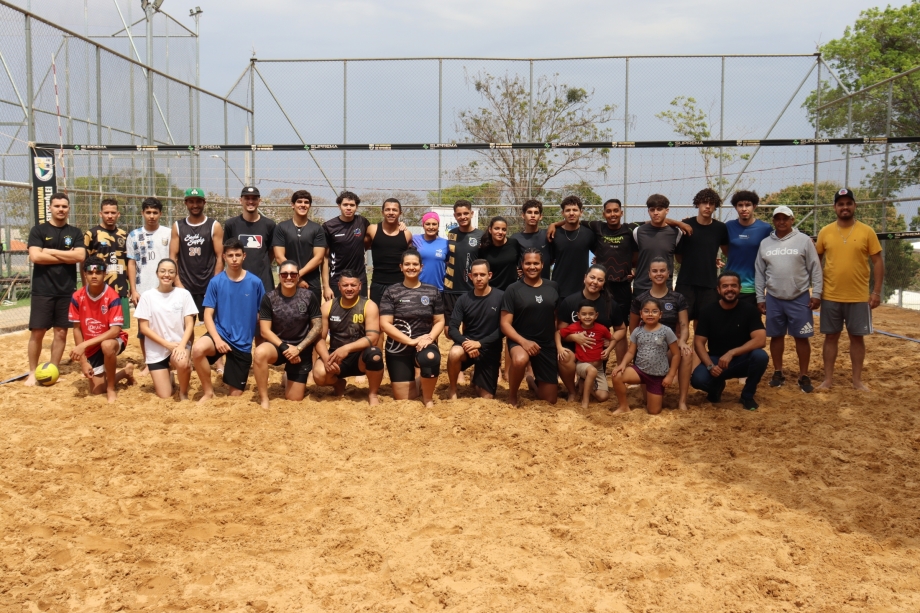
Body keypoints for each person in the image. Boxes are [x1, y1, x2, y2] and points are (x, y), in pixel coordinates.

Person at [815, 188, 884, 391]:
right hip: (830, 294)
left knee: (857, 337)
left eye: (848, 203)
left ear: (854, 206)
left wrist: (876, 292)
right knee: (831, 337)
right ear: (834, 207)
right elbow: (816, 259)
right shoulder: (825, 231)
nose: (844, 207)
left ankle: (857, 381)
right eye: (840, 204)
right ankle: (828, 380)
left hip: (859, 296)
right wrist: (818, 289)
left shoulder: (867, 231)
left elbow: (877, 262)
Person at [755, 205, 823, 393]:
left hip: (799, 296)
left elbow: (815, 269)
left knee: (801, 337)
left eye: (785, 218)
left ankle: (803, 374)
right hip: (774, 297)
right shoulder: (765, 243)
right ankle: (778, 372)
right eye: (778, 218)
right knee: (776, 336)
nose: (781, 222)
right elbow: (760, 273)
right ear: (774, 221)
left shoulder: (804, 241)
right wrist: (760, 297)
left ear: (792, 220)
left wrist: (816, 293)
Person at [191, 238, 265, 403]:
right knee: (197, 350)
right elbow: (208, 315)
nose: (234, 259)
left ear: (244, 256)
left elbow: (262, 315)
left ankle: (232, 376)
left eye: (237, 255)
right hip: (221, 335)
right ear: (224, 257)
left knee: (235, 395)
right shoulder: (216, 282)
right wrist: (217, 340)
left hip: (243, 344)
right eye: (230, 255)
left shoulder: (255, 282)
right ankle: (208, 392)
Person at [25, 193, 85, 386]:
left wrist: (49, 251)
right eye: (57, 206)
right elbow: (36, 257)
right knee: (38, 332)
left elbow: (80, 256)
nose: (61, 209)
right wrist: (66, 256)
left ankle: (53, 368)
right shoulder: (38, 230)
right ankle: (33, 372)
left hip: (66, 290)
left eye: (64, 206)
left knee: (61, 332)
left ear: (69, 209)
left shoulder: (75, 233)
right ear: (50, 208)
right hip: (43, 290)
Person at [691, 271, 769, 411]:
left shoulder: (750, 310)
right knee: (698, 380)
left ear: (739, 288)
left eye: (733, 285)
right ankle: (716, 388)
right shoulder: (707, 311)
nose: (729, 289)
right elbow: (698, 342)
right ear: (718, 289)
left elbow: (761, 340)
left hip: (742, 360)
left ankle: (747, 395)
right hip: (717, 360)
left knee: (761, 356)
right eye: (725, 286)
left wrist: (733, 352)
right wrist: (709, 366)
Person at [379, 249, 445, 408]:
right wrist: (410, 341)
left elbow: (439, 321)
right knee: (404, 397)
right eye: (407, 264)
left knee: (429, 357)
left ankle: (428, 398)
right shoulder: (391, 292)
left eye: (415, 264)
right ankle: (419, 377)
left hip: (424, 344)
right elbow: (385, 323)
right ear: (401, 267)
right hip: (399, 347)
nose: (411, 267)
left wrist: (429, 338)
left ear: (421, 267)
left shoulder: (432, 291)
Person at [253, 260, 323, 408]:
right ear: (279, 276)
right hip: (278, 346)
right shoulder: (269, 298)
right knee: (259, 353)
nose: (289, 277)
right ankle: (264, 398)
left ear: (298, 276)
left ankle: (288, 375)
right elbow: (265, 330)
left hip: (300, 351)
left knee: (294, 398)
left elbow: (317, 326)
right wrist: (285, 347)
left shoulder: (309, 296)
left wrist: (298, 348)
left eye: (293, 274)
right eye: (285, 274)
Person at [555, 264, 626, 403]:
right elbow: (560, 330)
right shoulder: (570, 301)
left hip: (596, 354)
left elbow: (622, 329)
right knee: (564, 357)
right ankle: (572, 392)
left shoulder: (611, 305)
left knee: (602, 397)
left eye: (600, 280)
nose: (595, 282)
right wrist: (575, 337)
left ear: (604, 283)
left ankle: (583, 383)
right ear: (585, 278)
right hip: (574, 349)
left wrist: (612, 341)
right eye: (592, 277)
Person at [313, 270, 385, 405]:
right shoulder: (327, 307)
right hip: (337, 356)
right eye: (345, 285)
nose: (349, 289)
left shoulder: (369, 306)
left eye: (353, 285)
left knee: (375, 355)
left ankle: (373, 393)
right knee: (318, 374)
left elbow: (373, 337)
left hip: (361, 356)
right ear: (339, 286)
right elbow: (320, 338)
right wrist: (326, 359)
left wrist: (347, 348)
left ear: (360, 286)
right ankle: (339, 383)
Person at [68, 256, 133, 403]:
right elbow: (76, 329)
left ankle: (111, 388)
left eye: (98, 272)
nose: (94, 276)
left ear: (105, 274)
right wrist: (83, 362)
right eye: (90, 273)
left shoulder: (112, 296)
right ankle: (125, 372)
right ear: (85, 274)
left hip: (114, 340)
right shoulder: (77, 297)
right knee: (96, 390)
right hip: (92, 346)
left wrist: (83, 345)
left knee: (107, 345)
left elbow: (115, 330)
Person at [501, 248, 561, 407]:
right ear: (522, 265)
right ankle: (512, 395)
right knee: (520, 360)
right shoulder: (512, 289)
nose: (532, 267)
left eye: (536, 263)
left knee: (550, 399)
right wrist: (524, 342)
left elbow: (556, 318)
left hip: (546, 344)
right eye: (528, 263)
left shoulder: (553, 286)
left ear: (542, 265)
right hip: (520, 340)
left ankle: (531, 381)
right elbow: (505, 324)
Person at [630, 258, 692, 410]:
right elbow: (633, 329)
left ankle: (682, 400)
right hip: (648, 350)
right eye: (655, 271)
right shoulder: (640, 299)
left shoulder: (678, 298)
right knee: (648, 404)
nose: (659, 274)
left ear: (668, 273)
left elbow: (684, 325)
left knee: (687, 352)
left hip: (669, 348)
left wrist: (682, 341)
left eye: (662, 270)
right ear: (649, 274)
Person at [134, 258, 197, 400]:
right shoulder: (147, 296)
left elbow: (189, 324)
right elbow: (144, 328)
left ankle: (183, 392)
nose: (166, 275)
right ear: (157, 273)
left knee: (182, 363)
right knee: (164, 395)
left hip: (178, 345)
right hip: (157, 349)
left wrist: (182, 346)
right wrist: (166, 344)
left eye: (171, 272)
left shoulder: (183, 294)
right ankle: (169, 375)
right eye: (163, 271)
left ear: (175, 275)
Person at [127, 197, 172, 376]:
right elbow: (131, 263)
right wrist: (133, 289)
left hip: (166, 289)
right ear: (142, 213)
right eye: (148, 212)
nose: (151, 216)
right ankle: (148, 363)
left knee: (167, 325)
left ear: (160, 214)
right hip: (143, 290)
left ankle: (169, 360)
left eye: (155, 212)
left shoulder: (168, 234)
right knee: (144, 328)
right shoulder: (134, 236)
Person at [611, 297, 680, 415]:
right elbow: (631, 352)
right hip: (640, 371)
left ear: (660, 314)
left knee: (654, 411)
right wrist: (622, 364)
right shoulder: (637, 331)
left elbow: (676, 354)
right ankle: (623, 406)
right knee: (617, 375)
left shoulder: (666, 331)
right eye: (646, 311)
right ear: (641, 314)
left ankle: (654, 394)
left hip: (657, 375)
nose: (650, 314)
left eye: (654, 311)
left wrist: (671, 375)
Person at [446, 259, 504, 399]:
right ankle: (453, 389)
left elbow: (503, 329)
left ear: (489, 275)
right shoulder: (463, 299)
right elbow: (452, 328)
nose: (479, 278)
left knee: (486, 397)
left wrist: (480, 344)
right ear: (470, 276)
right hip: (468, 346)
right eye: (475, 275)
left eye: (482, 274)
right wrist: (466, 343)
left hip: (490, 348)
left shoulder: (501, 297)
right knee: (454, 353)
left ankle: (476, 376)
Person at [675, 188, 729, 325]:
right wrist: (679, 223)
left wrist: (711, 259)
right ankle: (681, 347)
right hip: (686, 282)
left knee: (703, 325)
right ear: (698, 204)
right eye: (704, 202)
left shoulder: (720, 228)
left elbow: (727, 251)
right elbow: (679, 258)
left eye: (711, 203)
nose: (708, 206)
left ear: (715, 206)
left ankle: (699, 348)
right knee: (681, 323)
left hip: (709, 284)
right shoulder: (686, 226)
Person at [170, 188, 224, 322]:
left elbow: (220, 257)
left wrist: (214, 285)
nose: (195, 205)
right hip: (185, 284)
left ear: (204, 202)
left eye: (198, 201)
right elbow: (172, 257)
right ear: (186, 203)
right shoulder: (178, 226)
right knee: (185, 327)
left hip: (207, 284)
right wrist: (178, 283)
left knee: (213, 324)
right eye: (191, 202)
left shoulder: (214, 226)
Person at [272, 190, 327, 303]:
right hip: (287, 281)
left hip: (311, 284)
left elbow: (318, 258)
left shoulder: (317, 229)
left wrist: (296, 276)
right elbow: (279, 257)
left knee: (314, 319)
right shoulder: (281, 227)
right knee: (285, 316)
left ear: (310, 206)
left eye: (306, 202)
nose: (303, 205)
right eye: (299, 202)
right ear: (293, 205)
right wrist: (294, 278)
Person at [83, 198, 130, 329]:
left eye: (113, 212)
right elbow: (84, 263)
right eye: (106, 212)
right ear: (100, 214)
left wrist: (130, 286)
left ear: (118, 214)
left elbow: (129, 263)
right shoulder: (91, 234)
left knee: (118, 330)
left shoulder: (124, 236)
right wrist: (86, 287)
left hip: (120, 290)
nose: (110, 216)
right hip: (98, 291)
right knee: (97, 327)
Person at [559, 301, 613, 408]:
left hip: (599, 368)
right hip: (582, 364)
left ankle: (584, 384)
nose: (587, 317)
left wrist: (608, 349)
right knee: (591, 371)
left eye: (591, 314)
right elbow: (558, 333)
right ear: (578, 315)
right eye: (584, 314)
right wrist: (559, 347)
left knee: (603, 397)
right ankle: (585, 401)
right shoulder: (574, 327)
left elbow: (613, 339)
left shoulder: (601, 328)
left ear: (596, 315)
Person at [223, 186, 276, 293]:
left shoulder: (269, 225)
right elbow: (225, 252)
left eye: (254, 198)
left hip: (263, 281)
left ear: (259, 201)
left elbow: (271, 253)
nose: (250, 201)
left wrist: (262, 266)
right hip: (237, 280)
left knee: (263, 310)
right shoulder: (231, 224)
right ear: (241, 200)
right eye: (247, 198)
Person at [725, 190, 772, 307]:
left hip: (754, 287)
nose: (744, 209)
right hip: (731, 285)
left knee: (751, 323)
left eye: (748, 205)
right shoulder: (728, 226)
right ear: (735, 207)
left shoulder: (765, 228)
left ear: (754, 206)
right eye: (740, 205)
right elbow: (726, 250)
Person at [443, 199, 484, 325]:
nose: (463, 217)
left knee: (470, 328)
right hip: (451, 289)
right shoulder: (451, 233)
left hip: (471, 289)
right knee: (449, 330)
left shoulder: (481, 235)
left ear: (471, 214)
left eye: (466, 213)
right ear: (455, 215)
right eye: (459, 214)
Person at [323, 190, 370, 300]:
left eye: (352, 205)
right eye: (345, 205)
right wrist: (326, 286)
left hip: (359, 278)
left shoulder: (362, 222)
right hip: (337, 279)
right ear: (339, 206)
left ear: (356, 207)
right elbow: (324, 258)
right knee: (336, 314)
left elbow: (370, 239)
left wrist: (399, 224)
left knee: (360, 313)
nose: (348, 208)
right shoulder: (329, 226)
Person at [633, 194, 683, 296]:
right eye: (652, 210)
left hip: (665, 288)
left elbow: (680, 259)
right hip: (641, 287)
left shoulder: (677, 233)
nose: (655, 213)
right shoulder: (638, 232)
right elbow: (634, 259)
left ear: (667, 210)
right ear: (648, 211)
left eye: (659, 209)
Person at [366, 197, 412, 306]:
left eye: (394, 210)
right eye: (387, 209)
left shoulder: (406, 234)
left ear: (400, 213)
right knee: (376, 317)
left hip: (400, 284)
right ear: (382, 212)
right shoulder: (372, 230)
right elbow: (361, 248)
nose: (391, 213)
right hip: (378, 283)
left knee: (400, 317)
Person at [550, 195, 596, 298]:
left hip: (582, 289)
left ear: (581, 212)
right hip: (559, 288)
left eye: (575, 210)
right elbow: (549, 260)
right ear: (563, 213)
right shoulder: (554, 234)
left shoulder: (589, 233)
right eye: (568, 210)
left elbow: (601, 253)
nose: (571, 213)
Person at [510, 199, 552, 279]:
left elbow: (551, 259)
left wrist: (554, 224)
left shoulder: (547, 235)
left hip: (544, 284)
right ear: (523, 215)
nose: (532, 215)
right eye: (529, 212)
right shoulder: (515, 238)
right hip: (523, 285)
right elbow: (510, 261)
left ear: (540, 216)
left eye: (536, 213)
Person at [478, 216, 521, 291]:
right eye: (496, 228)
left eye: (503, 229)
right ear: (490, 230)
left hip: (511, 291)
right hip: (492, 292)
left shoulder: (514, 243)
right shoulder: (484, 248)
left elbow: (520, 263)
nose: (500, 232)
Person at [413, 211, 449, 289]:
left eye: (434, 224)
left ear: (438, 225)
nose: (431, 227)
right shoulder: (415, 239)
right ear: (423, 225)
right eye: (427, 224)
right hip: (418, 288)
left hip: (438, 289)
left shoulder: (446, 243)